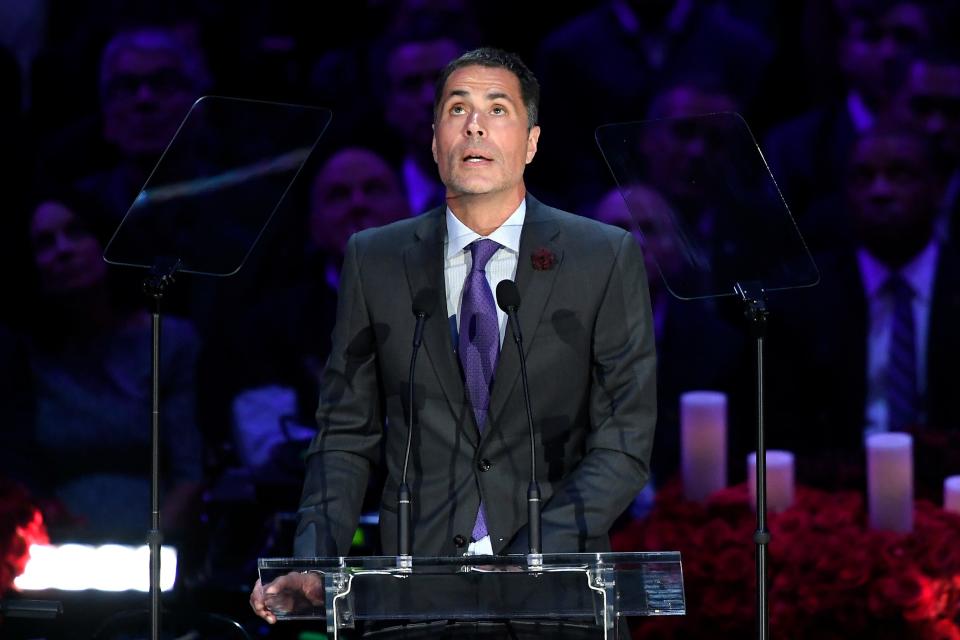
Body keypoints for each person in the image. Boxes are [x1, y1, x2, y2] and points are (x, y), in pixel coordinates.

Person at [250, 47, 657, 626]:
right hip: (414, 596)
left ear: (532, 142)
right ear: (436, 139)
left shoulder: (603, 256)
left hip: (555, 596)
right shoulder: (376, 259)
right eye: (457, 108)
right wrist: (315, 558)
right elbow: (345, 431)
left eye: (497, 109)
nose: (475, 125)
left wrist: (532, 558)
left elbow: (625, 437)